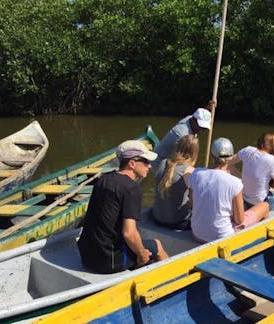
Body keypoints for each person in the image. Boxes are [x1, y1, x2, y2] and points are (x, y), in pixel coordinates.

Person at [77, 140, 168, 274]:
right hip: (108, 261)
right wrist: (141, 253)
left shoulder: (103, 179)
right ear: (132, 163)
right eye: (146, 162)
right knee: (157, 246)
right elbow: (129, 233)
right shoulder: (132, 188)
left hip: (86, 255)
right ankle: (171, 282)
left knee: (137, 246)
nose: (149, 166)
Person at [188, 138, 269, 242]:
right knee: (265, 206)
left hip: (197, 234)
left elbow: (192, 204)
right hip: (221, 238)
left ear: (212, 155)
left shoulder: (196, 173)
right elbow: (239, 220)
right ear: (230, 158)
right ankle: (261, 244)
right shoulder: (235, 182)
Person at [229, 133, 274, 210]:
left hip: (244, 200)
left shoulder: (247, 150)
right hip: (261, 204)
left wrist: (241, 176)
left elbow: (227, 163)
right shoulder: (273, 160)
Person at [152, 100, 216, 173]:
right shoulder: (183, 135)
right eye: (201, 126)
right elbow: (184, 161)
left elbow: (198, 115)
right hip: (161, 163)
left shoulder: (190, 119)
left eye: (204, 128)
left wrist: (207, 108)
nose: (202, 130)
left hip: (173, 157)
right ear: (194, 120)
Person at [152, 135, 199, 230]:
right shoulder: (190, 171)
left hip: (157, 218)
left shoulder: (163, 162)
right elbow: (193, 204)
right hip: (178, 222)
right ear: (194, 153)